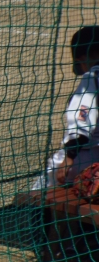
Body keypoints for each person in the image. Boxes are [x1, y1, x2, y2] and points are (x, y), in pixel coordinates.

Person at [33, 26, 99, 189]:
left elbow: (83, 120)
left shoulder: (93, 77)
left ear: (84, 57)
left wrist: (69, 156)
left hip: (81, 158)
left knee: (38, 196)